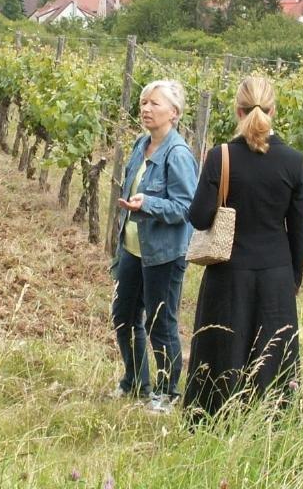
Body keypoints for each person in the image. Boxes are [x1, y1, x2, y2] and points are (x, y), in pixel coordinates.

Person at [183, 77, 303, 422]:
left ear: (237, 110)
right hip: (276, 273)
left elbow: (198, 216)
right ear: (274, 110)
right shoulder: (294, 161)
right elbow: (298, 230)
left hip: (228, 271)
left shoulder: (221, 156)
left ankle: (212, 419)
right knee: (271, 355)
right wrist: (292, 279)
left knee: (223, 349)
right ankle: (270, 421)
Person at [112, 79, 197, 413]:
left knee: (161, 323)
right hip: (134, 249)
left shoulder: (178, 155)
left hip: (163, 253)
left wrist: (147, 204)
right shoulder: (140, 144)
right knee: (124, 316)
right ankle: (135, 381)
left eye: (155, 104)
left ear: (174, 114)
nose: (146, 108)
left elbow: (186, 207)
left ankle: (166, 391)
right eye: (144, 102)